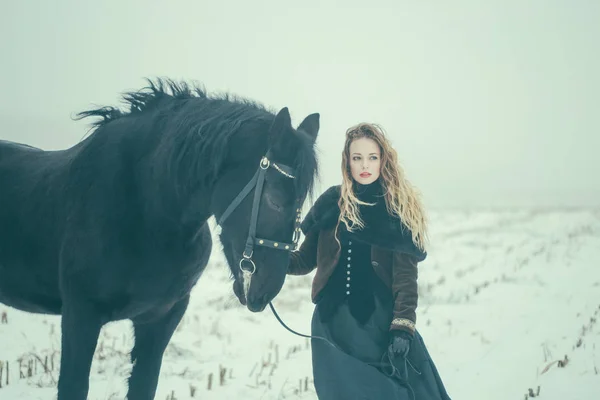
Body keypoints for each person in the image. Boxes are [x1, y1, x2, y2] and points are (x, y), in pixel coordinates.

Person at [287, 123, 451, 399]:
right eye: (357, 157)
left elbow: (405, 281)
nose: (365, 165)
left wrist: (403, 328)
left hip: (376, 326)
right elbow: (304, 260)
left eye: (372, 157)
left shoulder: (398, 209)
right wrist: (269, 259)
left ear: (382, 160)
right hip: (330, 325)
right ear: (347, 161)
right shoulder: (331, 203)